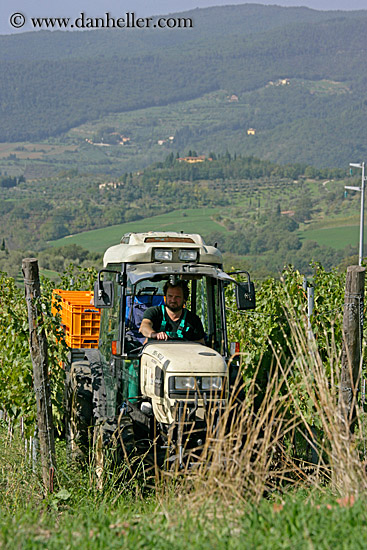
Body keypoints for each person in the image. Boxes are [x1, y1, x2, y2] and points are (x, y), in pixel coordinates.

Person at [139, 280, 205, 344]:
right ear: (165, 297)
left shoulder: (193, 320)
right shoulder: (154, 312)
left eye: (177, 297)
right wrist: (154, 334)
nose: (173, 300)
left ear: (184, 299)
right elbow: (144, 327)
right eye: (170, 296)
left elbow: (201, 343)